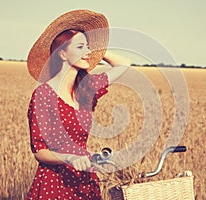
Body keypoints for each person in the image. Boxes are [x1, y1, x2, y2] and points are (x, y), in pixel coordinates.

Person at [26, 10, 130, 199]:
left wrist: (97, 48)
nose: (87, 52)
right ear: (63, 54)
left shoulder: (87, 88)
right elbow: (40, 151)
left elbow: (124, 64)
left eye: (88, 47)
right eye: (80, 47)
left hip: (85, 179)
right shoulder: (43, 95)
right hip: (55, 181)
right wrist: (69, 158)